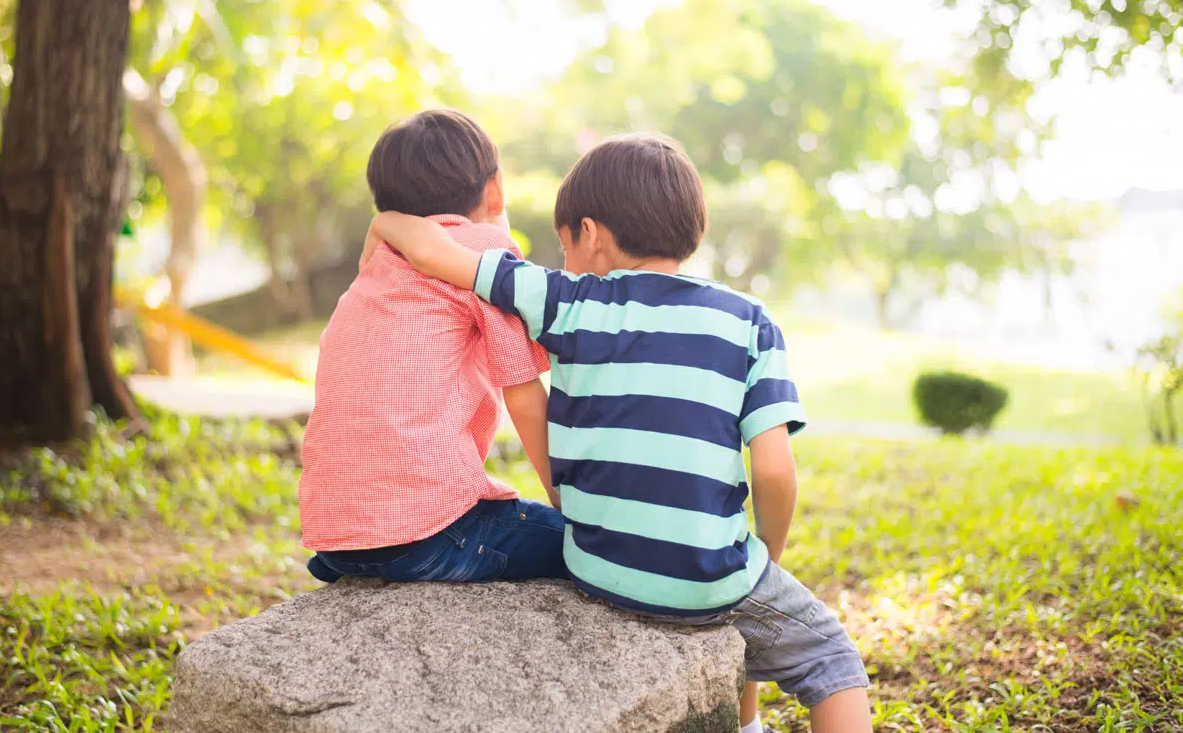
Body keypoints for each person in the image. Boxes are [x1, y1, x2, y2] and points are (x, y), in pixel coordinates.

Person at [362, 133, 872, 733]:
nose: (564, 259)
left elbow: (432, 253)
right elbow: (775, 472)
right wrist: (766, 560)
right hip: (710, 580)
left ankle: (746, 718)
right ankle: (750, 718)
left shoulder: (565, 301)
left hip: (595, 568)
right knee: (831, 660)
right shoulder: (750, 323)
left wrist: (387, 217)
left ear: (592, 234)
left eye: (564, 244)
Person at [298, 109, 566, 586]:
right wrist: (567, 503)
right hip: (429, 536)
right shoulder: (482, 253)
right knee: (579, 544)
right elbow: (523, 396)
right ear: (495, 187)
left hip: (336, 540)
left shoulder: (378, 264)